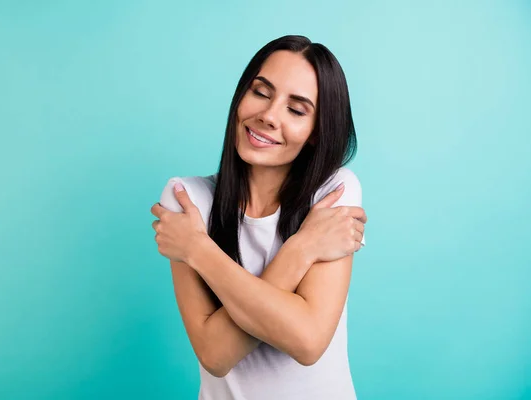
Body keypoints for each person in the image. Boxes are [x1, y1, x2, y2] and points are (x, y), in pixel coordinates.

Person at [150, 35, 368, 400]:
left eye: (296, 110)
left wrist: (198, 249)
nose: (268, 115)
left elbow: (308, 341)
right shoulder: (187, 201)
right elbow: (215, 355)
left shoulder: (335, 192)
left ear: (316, 133)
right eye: (261, 92)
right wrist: (302, 250)